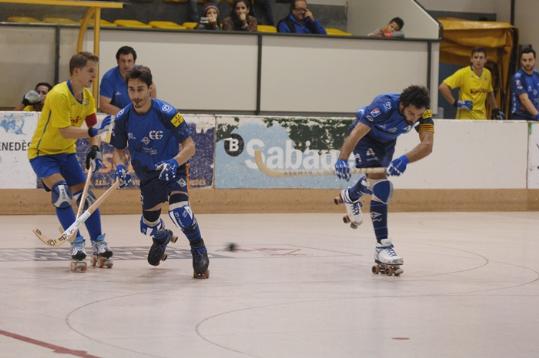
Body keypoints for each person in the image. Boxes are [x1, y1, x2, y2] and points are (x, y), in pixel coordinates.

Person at [110, 65, 210, 279]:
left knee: (180, 212)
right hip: (147, 175)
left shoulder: (167, 113)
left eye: (140, 89)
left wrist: (174, 163)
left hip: (172, 170)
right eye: (131, 90)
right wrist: (119, 166)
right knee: (147, 226)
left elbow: (190, 146)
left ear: (150, 89)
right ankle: (161, 237)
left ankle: (198, 248)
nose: (135, 96)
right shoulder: (123, 118)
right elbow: (117, 151)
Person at [27, 52, 113, 272]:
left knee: (87, 196)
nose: (94, 75)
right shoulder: (59, 95)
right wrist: (92, 132)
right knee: (62, 192)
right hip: (42, 153)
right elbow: (66, 131)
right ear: (76, 71)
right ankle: (76, 245)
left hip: (66, 154)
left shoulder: (87, 97)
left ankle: (98, 242)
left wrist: (95, 148)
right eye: (90, 71)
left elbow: (94, 128)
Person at [334, 85, 433, 275]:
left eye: (417, 115)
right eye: (411, 113)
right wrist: (342, 159)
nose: (413, 119)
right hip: (366, 138)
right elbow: (357, 132)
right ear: (402, 105)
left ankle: (351, 195)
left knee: (377, 183)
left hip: (387, 143)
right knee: (382, 186)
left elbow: (427, 145)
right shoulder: (385, 105)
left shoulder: (424, 114)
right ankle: (383, 246)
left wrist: (405, 159)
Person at [439, 47, 503, 120]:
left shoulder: (487, 74)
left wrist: (495, 110)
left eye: (481, 58)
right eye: (475, 57)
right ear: (471, 59)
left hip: (481, 118)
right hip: (465, 118)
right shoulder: (463, 73)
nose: (478, 60)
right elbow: (443, 87)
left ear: (485, 60)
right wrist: (456, 103)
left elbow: (489, 93)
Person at [99, 46, 157, 115]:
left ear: (134, 62)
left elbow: (152, 88)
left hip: (140, 114)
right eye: (123, 61)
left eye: (129, 61)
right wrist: (126, 115)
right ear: (117, 61)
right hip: (118, 115)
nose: (126, 65)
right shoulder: (108, 78)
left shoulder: (141, 73)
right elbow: (104, 105)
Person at [510, 47, 539, 120]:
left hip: (534, 116)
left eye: (530, 60)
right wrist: (537, 115)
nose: (527, 63)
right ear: (520, 61)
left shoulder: (537, 75)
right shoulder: (517, 77)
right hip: (520, 117)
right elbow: (524, 100)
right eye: (524, 60)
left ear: (535, 60)